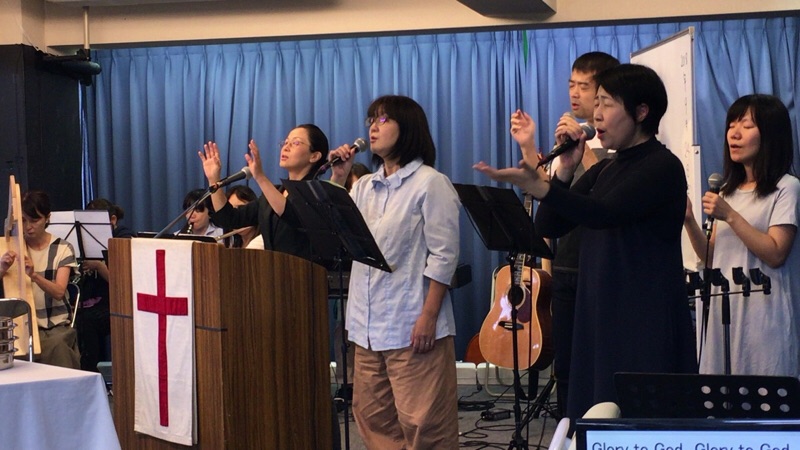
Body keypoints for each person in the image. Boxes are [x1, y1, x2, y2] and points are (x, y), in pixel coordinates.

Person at [475, 64, 697, 421]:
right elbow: (550, 224)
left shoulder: (662, 166)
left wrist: (542, 187)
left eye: (607, 104)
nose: (597, 115)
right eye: (597, 104)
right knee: (593, 414)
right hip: (599, 312)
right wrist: (563, 171)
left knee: (637, 418)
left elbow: (604, 213)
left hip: (641, 318)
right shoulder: (606, 168)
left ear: (641, 112)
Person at [328, 95, 461, 449]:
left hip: (411, 324)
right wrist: (338, 177)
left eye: (383, 120)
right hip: (367, 328)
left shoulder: (430, 183)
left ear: (408, 128)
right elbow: (335, 234)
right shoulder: (363, 186)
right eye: (371, 119)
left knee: (425, 426)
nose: (373, 127)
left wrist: (429, 317)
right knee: (374, 421)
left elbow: (444, 256)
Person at [509, 51, 619, 418]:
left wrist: (582, 145)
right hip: (566, 267)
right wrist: (528, 145)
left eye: (584, 86)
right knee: (567, 365)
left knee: (601, 363)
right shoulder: (568, 144)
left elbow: (604, 196)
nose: (574, 93)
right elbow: (547, 194)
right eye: (571, 84)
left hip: (602, 269)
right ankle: (568, 427)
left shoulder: (617, 147)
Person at [683, 94, 800, 377]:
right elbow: (711, 257)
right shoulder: (727, 191)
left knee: (763, 390)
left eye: (746, 126)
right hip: (725, 308)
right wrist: (688, 220)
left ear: (770, 135)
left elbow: (776, 253)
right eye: (731, 125)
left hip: (764, 311)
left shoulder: (787, 187)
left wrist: (731, 216)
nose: (734, 134)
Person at [198, 124, 329, 260]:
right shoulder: (272, 194)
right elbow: (229, 218)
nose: (286, 147)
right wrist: (214, 179)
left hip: (305, 270)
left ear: (314, 156)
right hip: (273, 270)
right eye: (285, 142)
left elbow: (291, 213)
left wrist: (260, 177)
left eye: (295, 143)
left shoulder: (319, 193)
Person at [0, 190, 80, 368]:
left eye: (34, 220)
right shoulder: (10, 247)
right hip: (20, 327)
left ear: (47, 218)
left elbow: (59, 292)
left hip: (55, 328)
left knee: (57, 347)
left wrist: (34, 276)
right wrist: (2, 268)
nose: (28, 227)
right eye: (23, 221)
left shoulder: (63, 249)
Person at [75, 198, 135, 372]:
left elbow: (123, 283)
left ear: (113, 220)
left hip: (119, 303)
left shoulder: (123, 237)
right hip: (94, 300)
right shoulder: (85, 239)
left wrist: (98, 266)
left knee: (87, 321)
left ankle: (91, 372)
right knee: (76, 317)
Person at [224, 185, 264, 249]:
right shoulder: (233, 244)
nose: (237, 216)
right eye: (232, 212)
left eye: (241, 208)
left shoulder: (262, 242)